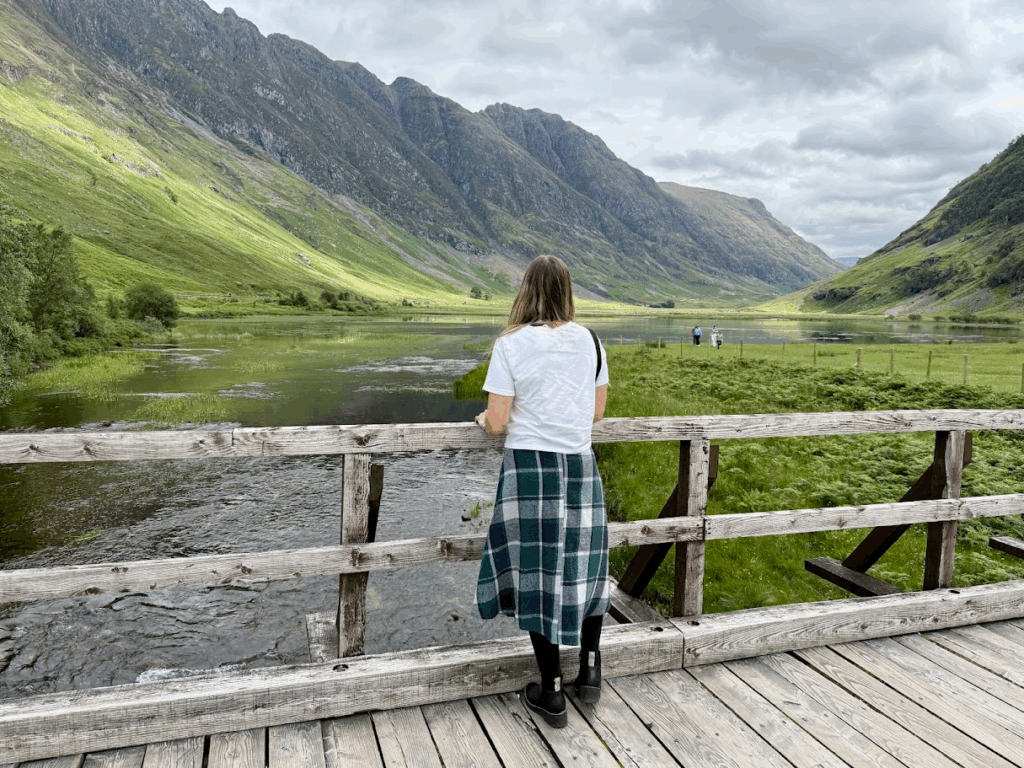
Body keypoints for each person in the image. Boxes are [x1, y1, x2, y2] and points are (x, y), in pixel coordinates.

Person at [474, 254, 610, 729]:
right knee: (587, 568)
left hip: (531, 468)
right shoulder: (592, 341)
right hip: (579, 466)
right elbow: (596, 411)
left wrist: (483, 421)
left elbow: (497, 421)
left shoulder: (510, 344)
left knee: (536, 572)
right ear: (567, 291)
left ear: (526, 290)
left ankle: (550, 692)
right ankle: (590, 671)